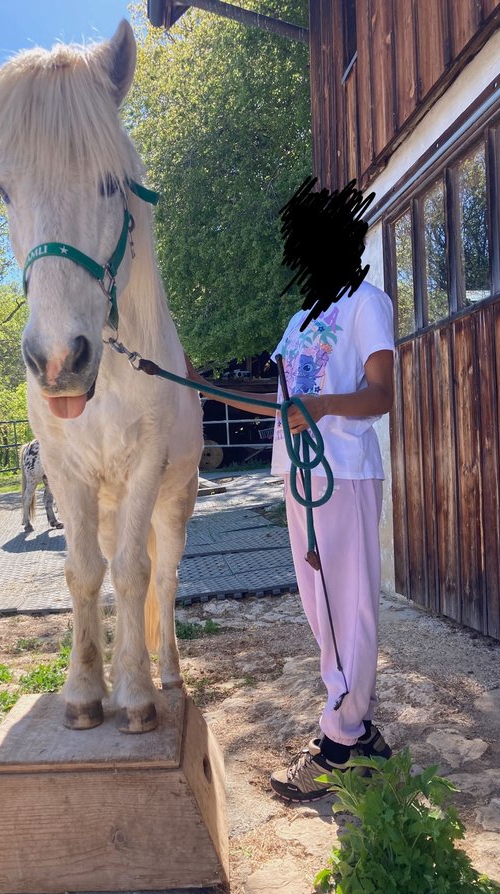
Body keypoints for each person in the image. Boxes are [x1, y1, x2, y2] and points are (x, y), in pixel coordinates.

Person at [183, 278, 395, 802]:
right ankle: (359, 730)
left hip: (342, 472)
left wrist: (321, 408)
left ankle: (340, 746)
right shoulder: (301, 318)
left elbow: (382, 393)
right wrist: (201, 385)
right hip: (300, 475)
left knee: (349, 609)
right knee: (323, 612)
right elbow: (279, 403)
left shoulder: (366, 302)